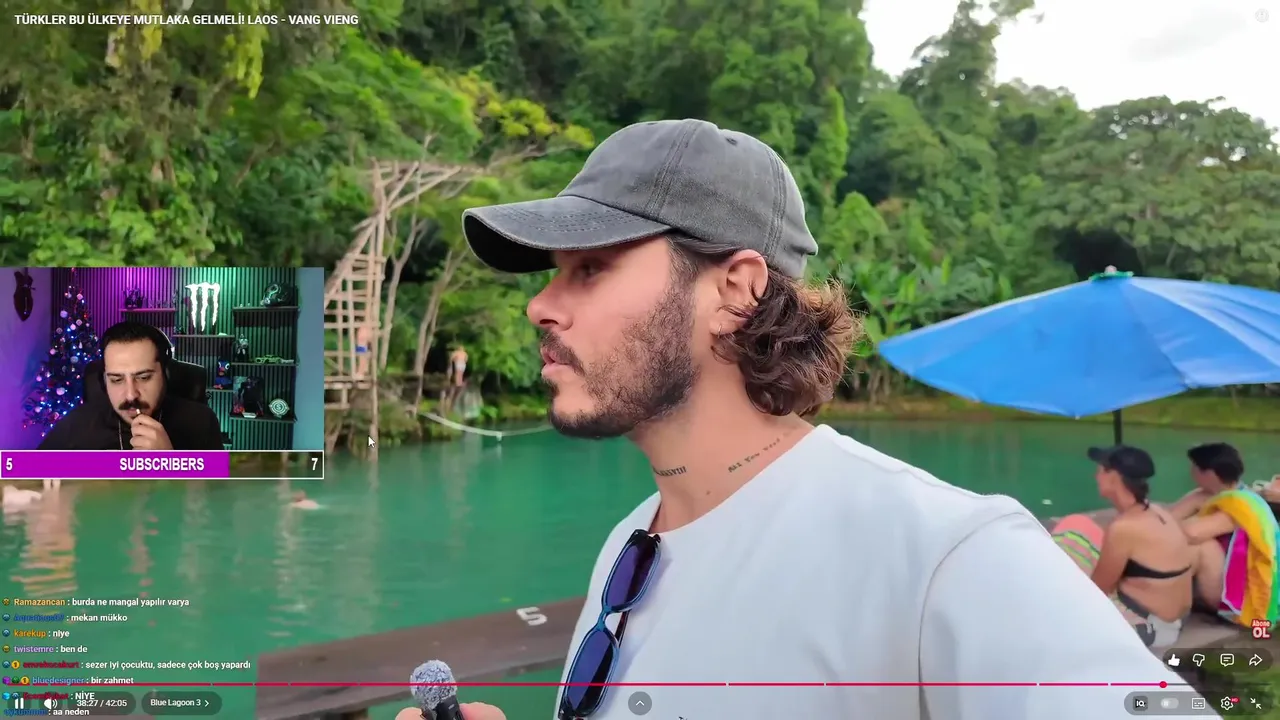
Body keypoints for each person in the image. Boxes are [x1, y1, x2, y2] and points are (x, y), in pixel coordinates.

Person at [395, 119, 1178, 720]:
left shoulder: (944, 555)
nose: (540, 305)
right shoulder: (626, 549)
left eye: (592, 268)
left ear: (735, 289)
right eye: (555, 274)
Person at [1049, 446, 1194, 648]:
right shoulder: (1156, 511)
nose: (1095, 476)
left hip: (1151, 627)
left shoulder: (1123, 528)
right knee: (1076, 525)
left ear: (1114, 477)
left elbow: (1097, 592)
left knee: (1063, 568)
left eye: (1100, 470)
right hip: (1171, 617)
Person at [38, 321, 223, 451]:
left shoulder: (201, 422)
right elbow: (28, 474)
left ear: (166, 375)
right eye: (116, 380)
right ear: (103, 381)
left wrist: (172, 466)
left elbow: (222, 493)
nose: (130, 395)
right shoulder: (77, 424)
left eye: (143, 377)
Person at [1174, 443, 1278, 627]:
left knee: (1202, 547)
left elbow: (1192, 533)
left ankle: (1168, 609)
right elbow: (1166, 518)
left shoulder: (1241, 504)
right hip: (1218, 577)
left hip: (1242, 593)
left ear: (1209, 474)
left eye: (1194, 467)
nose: (1191, 472)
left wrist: (1175, 524)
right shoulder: (1205, 495)